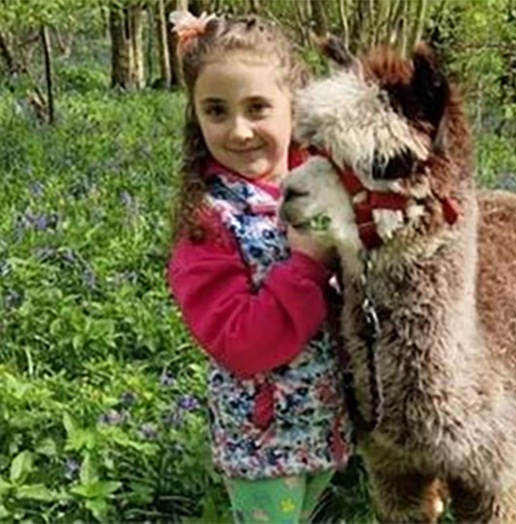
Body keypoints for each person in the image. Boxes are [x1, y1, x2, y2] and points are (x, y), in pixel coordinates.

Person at [165, 11, 352, 523]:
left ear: (294, 107)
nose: (240, 130)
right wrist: (308, 265)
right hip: (263, 447)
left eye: (258, 107)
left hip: (324, 425)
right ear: (196, 118)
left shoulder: (320, 187)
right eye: (217, 111)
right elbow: (240, 344)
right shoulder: (207, 222)